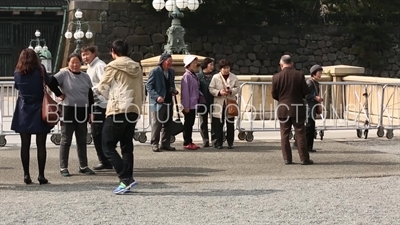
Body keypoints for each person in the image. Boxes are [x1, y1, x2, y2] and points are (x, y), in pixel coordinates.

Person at [96, 40, 144, 195]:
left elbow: (102, 88)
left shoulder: (112, 66)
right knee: (126, 146)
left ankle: (125, 178)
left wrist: (93, 99)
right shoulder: (137, 67)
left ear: (113, 51)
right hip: (133, 109)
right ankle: (126, 181)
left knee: (107, 145)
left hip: (118, 109)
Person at [11, 48, 63, 185]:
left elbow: (17, 86)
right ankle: (41, 175)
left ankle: (26, 175)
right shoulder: (40, 70)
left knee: (25, 145)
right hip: (40, 109)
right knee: (41, 145)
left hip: (23, 110)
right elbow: (50, 82)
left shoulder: (17, 72)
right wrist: (59, 94)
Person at [52, 53, 96, 177]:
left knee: (82, 139)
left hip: (82, 110)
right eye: (72, 62)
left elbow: (90, 96)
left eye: (77, 62)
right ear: (68, 63)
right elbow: (50, 82)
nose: (75, 65)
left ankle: (83, 165)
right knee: (66, 140)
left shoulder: (85, 77)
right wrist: (59, 94)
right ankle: (63, 167)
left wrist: (91, 112)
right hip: (68, 110)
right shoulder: (64, 74)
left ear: (81, 63)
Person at [271, 55, 313, 165]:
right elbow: (306, 91)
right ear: (292, 63)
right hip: (297, 107)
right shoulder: (299, 75)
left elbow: (274, 94)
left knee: (284, 133)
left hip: (283, 108)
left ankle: (287, 159)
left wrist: (282, 100)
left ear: (281, 64)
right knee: (300, 132)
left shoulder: (276, 77)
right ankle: (304, 158)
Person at [81, 45, 112, 171]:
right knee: (97, 133)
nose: (85, 57)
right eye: (83, 55)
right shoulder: (90, 67)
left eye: (87, 54)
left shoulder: (99, 65)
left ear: (94, 53)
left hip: (101, 104)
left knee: (98, 133)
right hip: (95, 103)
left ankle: (105, 160)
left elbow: (104, 83)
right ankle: (105, 159)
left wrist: (91, 90)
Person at [146, 53, 177, 152]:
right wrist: (157, 97)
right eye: (169, 61)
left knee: (168, 123)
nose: (170, 64)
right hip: (158, 102)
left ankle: (165, 143)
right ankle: (154, 143)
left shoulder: (171, 72)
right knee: (157, 123)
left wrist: (173, 91)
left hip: (168, 100)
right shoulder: (155, 71)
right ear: (163, 62)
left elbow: (171, 84)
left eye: (171, 62)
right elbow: (149, 86)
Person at [209, 59, 239, 149]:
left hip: (230, 102)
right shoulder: (215, 77)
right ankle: (219, 143)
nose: (226, 70)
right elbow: (211, 88)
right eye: (224, 68)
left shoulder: (234, 77)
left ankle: (230, 142)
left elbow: (238, 88)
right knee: (218, 124)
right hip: (219, 102)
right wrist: (219, 92)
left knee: (230, 123)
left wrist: (231, 91)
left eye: (228, 68)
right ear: (220, 69)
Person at [181, 55, 202, 150]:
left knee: (191, 122)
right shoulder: (186, 76)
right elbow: (185, 92)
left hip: (194, 103)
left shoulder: (193, 75)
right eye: (193, 63)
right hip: (189, 104)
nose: (195, 64)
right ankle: (187, 142)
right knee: (188, 123)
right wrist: (186, 105)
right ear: (188, 64)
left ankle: (189, 140)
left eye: (195, 62)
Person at [197, 57, 216, 147]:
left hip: (213, 101)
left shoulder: (215, 76)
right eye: (210, 64)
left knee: (215, 121)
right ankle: (205, 140)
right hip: (202, 102)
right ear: (205, 65)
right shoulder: (198, 76)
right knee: (202, 122)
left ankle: (214, 140)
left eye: (213, 65)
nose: (212, 66)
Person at [305, 65, 324, 152]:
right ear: (314, 74)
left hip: (312, 107)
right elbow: (306, 95)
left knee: (311, 127)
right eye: (319, 72)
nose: (320, 74)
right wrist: (315, 98)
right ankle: (307, 147)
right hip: (309, 108)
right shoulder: (310, 83)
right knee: (309, 127)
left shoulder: (315, 83)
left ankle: (308, 146)